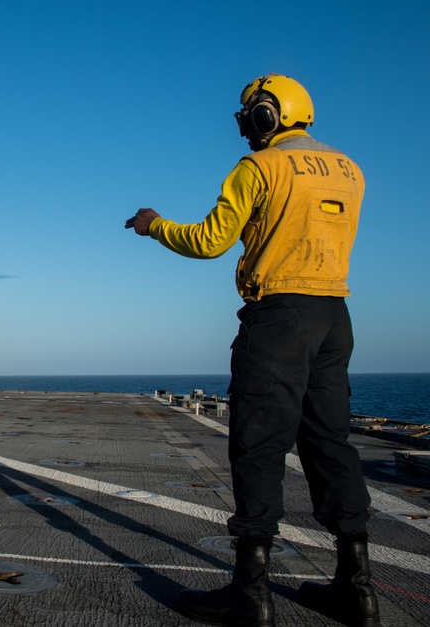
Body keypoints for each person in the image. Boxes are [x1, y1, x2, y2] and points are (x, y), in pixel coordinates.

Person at [127, 74, 378, 627]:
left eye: (249, 116)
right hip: (335, 318)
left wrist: (155, 226)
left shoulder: (258, 169)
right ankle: (356, 589)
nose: (245, 128)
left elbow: (211, 241)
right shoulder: (350, 169)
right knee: (331, 443)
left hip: (278, 319)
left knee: (259, 447)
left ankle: (250, 592)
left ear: (269, 114)